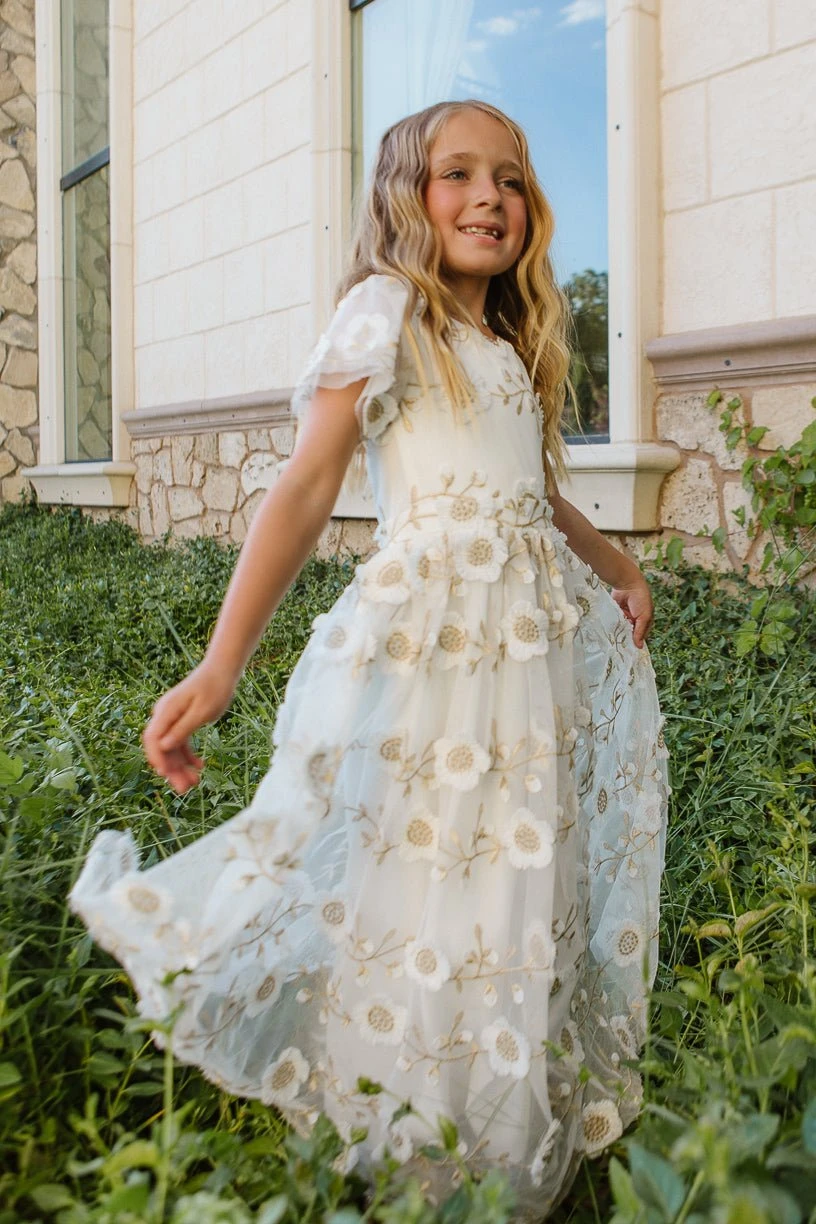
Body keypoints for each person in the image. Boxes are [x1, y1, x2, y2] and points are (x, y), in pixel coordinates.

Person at [70, 100, 669, 1217]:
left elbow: (537, 495)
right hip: (441, 648)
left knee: (520, 874)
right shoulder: (387, 311)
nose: (489, 197)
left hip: (527, 655)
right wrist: (221, 665)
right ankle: (410, 1140)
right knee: (431, 869)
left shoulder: (508, 344)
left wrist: (618, 564)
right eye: (459, 174)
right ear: (406, 196)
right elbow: (305, 487)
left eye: (510, 178)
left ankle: (501, 1123)